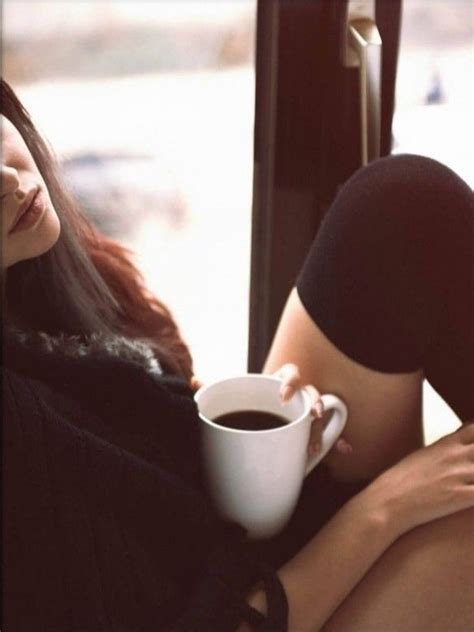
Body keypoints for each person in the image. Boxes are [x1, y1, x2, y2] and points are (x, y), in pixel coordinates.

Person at [1, 76, 473, 632]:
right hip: (250, 609)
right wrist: (384, 510)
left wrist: (261, 454)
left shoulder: (39, 279)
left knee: (397, 210)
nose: (7, 178)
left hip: (231, 542)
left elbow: (132, 469)